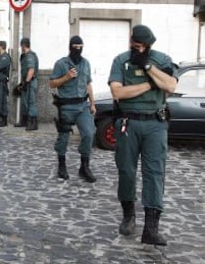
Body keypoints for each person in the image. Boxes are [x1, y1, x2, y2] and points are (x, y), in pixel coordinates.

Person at [108, 25, 178, 246]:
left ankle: (151, 228)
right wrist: (150, 84)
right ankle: (129, 217)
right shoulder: (121, 61)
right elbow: (118, 92)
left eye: (145, 46)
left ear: (150, 44)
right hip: (128, 122)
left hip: (155, 124)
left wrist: (148, 67)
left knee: (155, 173)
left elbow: (170, 86)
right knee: (126, 171)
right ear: (131, 42)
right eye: (137, 45)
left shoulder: (162, 59)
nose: (141, 49)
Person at [48, 35, 97, 183]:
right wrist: (66, 77)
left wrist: (93, 103)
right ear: (70, 47)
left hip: (83, 106)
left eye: (80, 47)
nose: (78, 50)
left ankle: (84, 166)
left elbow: (88, 84)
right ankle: (62, 165)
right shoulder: (61, 63)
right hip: (66, 106)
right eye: (75, 47)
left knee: (89, 134)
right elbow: (52, 84)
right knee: (63, 137)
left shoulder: (86, 63)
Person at [14, 37, 39, 130]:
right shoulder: (26, 55)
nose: (21, 48)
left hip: (30, 82)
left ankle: (33, 123)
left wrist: (26, 82)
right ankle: (24, 121)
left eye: (21, 46)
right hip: (27, 81)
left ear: (23, 45)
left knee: (31, 102)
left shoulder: (30, 56)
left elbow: (31, 70)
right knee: (25, 102)